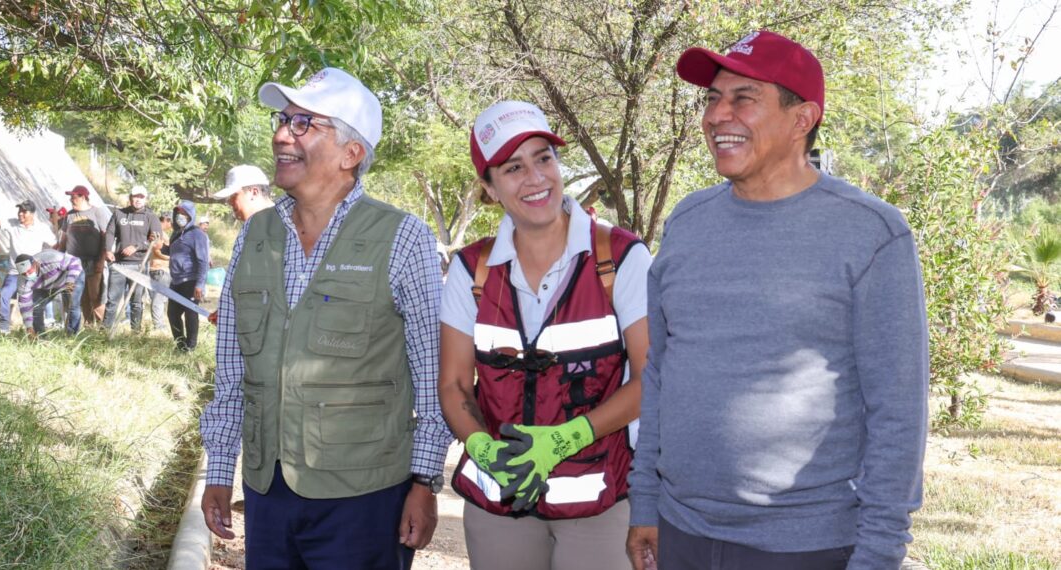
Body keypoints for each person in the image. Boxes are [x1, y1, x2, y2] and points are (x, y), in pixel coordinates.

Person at [626, 31, 929, 570]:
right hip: (680, 530)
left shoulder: (872, 233)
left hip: (805, 546)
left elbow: (898, 412)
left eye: (743, 98)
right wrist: (645, 502)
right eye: (713, 99)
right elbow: (661, 376)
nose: (718, 115)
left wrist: (879, 554)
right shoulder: (687, 223)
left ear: (801, 119)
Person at [199, 67, 453, 569]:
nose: (280, 135)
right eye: (281, 119)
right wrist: (219, 469)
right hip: (268, 493)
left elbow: (433, 376)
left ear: (350, 153)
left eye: (302, 124)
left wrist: (424, 481)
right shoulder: (255, 237)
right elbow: (232, 371)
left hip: (365, 497)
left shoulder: (403, 239)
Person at [439, 101, 651, 570]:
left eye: (544, 158)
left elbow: (652, 377)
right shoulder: (471, 269)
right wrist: (482, 448)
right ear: (489, 188)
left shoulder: (618, 257)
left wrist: (563, 440)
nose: (535, 178)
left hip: (598, 500)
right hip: (499, 501)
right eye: (513, 167)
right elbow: (454, 385)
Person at [0, 200, 57, 333]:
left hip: (32, 272)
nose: (20, 214)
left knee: (34, 301)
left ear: (32, 214)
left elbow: (55, 245)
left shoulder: (41, 228)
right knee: (5, 294)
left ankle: (39, 328)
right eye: (19, 211)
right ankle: (4, 328)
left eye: (24, 211)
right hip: (15, 271)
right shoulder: (12, 223)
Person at [102, 185, 162, 333]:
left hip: (139, 265)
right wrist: (108, 249)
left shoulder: (151, 217)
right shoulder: (119, 214)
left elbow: (157, 241)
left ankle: (135, 332)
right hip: (119, 264)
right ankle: (105, 332)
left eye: (141, 197)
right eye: (136, 196)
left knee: (136, 302)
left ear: (146, 199)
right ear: (130, 198)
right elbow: (109, 233)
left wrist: (137, 246)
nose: (138, 200)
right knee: (112, 300)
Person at [59, 186, 111, 325]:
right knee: (81, 296)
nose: (71, 200)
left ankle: (104, 327)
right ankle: (89, 326)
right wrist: (59, 258)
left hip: (94, 260)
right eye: (71, 197)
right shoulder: (69, 215)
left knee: (95, 295)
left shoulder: (97, 212)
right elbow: (64, 239)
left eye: (74, 197)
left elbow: (106, 237)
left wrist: (101, 260)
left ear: (83, 197)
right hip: (74, 262)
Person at [164, 201, 210, 351]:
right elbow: (172, 252)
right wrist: (161, 246)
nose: (180, 217)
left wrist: (200, 285)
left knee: (191, 314)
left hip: (191, 280)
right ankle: (180, 345)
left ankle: (191, 347)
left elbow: (203, 261)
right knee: (172, 314)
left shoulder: (198, 234)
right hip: (176, 281)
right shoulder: (176, 233)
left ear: (190, 215)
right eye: (178, 213)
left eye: (184, 214)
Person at [14, 249, 85, 337]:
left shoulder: (50, 259)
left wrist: (70, 280)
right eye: (24, 274)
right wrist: (29, 326)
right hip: (45, 286)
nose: (28, 275)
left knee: (73, 306)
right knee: (36, 307)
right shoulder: (23, 281)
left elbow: (75, 262)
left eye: (29, 271)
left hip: (70, 277)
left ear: (35, 263)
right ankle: (40, 336)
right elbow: (25, 305)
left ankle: (72, 335)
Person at [148, 213, 172, 332]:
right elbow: (157, 251)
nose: (171, 225)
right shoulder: (160, 234)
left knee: (160, 299)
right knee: (158, 299)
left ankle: (159, 323)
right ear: (166, 220)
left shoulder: (159, 233)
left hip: (156, 270)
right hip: (160, 270)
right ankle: (158, 325)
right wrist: (173, 258)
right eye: (170, 222)